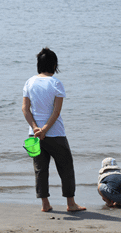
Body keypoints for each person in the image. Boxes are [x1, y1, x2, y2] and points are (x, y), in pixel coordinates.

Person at [22, 48, 86, 213]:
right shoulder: (56, 83)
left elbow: (25, 109)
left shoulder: (29, 82)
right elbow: (56, 112)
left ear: (39, 64)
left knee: (40, 169)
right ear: (54, 64)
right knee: (66, 167)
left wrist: (36, 128)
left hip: (34, 135)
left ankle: (45, 204)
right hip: (55, 134)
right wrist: (45, 129)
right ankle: (70, 203)